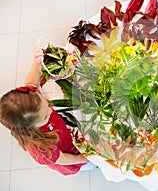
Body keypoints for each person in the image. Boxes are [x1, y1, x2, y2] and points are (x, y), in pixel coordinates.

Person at [0, 45, 93, 175]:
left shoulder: (32, 100)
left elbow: (32, 83)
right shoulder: (40, 149)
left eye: (47, 105)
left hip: (64, 135)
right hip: (70, 156)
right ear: (30, 127)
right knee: (89, 165)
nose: (50, 111)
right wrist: (83, 159)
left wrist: (37, 62)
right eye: (45, 117)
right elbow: (63, 159)